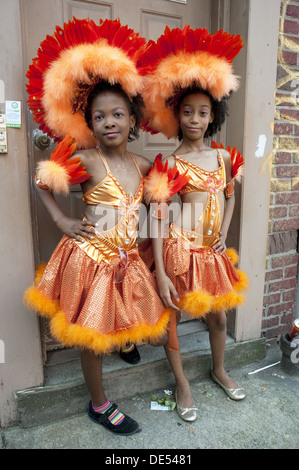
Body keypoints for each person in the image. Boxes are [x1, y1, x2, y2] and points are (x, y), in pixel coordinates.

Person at [24, 18, 172, 436]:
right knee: (92, 333)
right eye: (99, 116)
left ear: (133, 120)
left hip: (125, 260)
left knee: (123, 319)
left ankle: (124, 341)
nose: (109, 122)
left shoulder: (142, 165)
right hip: (90, 260)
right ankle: (99, 403)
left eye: (118, 114)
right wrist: (62, 219)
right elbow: (42, 180)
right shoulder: (87, 161)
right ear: (89, 123)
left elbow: (157, 208)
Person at [140, 26, 249, 419]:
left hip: (210, 251)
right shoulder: (168, 163)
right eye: (187, 111)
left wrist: (223, 232)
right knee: (174, 317)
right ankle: (182, 384)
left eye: (203, 112)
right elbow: (156, 217)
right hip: (178, 250)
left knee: (218, 314)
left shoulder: (222, 159)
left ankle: (219, 369)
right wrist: (162, 272)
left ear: (213, 116)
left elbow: (230, 196)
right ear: (176, 114)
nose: (194, 118)